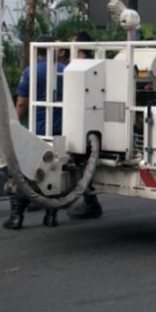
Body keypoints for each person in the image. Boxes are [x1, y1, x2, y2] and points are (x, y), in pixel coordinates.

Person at [4, 37, 67, 230]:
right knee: (55, 173)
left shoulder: (31, 72)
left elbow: (22, 103)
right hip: (61, 132)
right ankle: (50, 216)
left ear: (37, 52)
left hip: (38, 131)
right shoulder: (66, 71)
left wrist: (12, 125)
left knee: (24, 173)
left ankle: (16, 217)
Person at [66, 31, 105, 220]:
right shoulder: (95, 67)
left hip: (82, 126)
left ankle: (89, 202)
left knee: (81, 161)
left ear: (80, 47)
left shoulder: (78, 68)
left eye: (72, 43)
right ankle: (89, 201)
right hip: (87, 125)